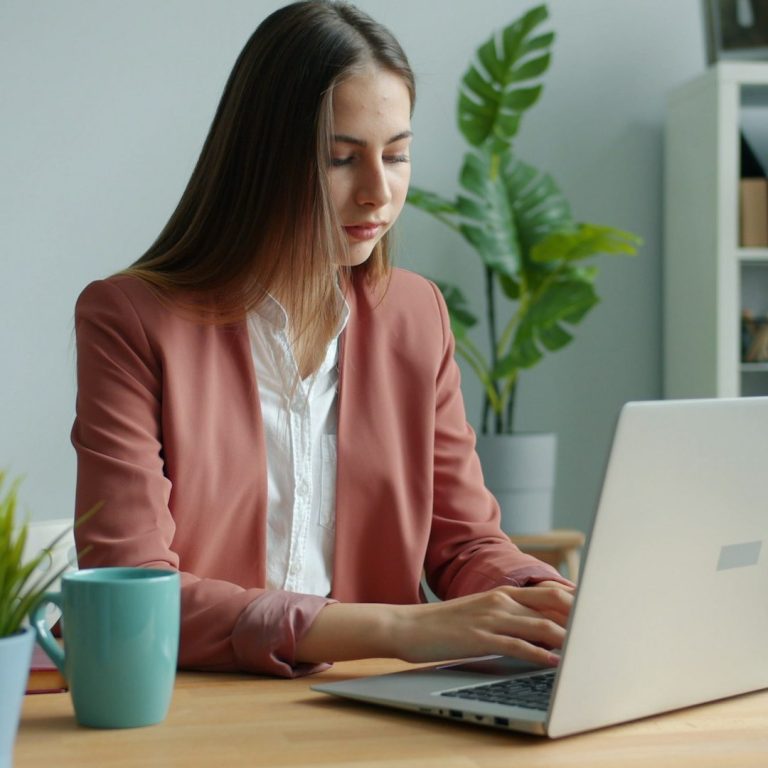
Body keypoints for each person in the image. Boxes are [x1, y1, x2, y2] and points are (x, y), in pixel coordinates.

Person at [72, 0, 575, 678]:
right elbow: (132, 590)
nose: (378, 192)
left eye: (396, 155)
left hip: (374, 712)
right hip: (201, 709)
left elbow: (463, 545)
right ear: (262, 160)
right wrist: (402, 627)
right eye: (342, 159)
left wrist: (540, 598)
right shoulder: (130, 319)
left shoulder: (416, 314)